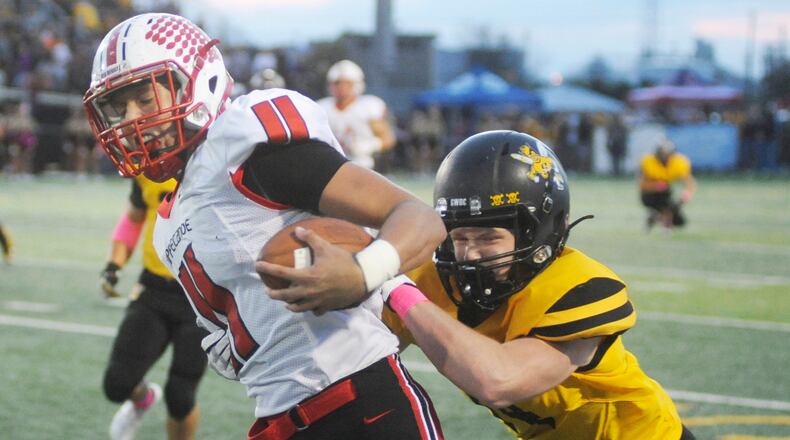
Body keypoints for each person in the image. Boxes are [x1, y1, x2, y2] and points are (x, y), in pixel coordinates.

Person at [84, 13, 445, 440]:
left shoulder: (246, 145)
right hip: (277, 420)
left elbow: (419, 218)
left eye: (145, 99)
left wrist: (365, 272)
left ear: (197, 80)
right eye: (117, 108)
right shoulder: (169, 224)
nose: (130, 120)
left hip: (363, 406)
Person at [275, 131, 694, 439]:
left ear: (538, 233)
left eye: (489, 237)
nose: (470, 254)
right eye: (460, 237)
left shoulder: (580, 286)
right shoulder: (436, 279)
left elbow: (499, 380)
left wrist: (392, 285)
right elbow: (349, 352)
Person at [99, 175, 209, 440]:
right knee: (117, 384)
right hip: (154, 287)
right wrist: (115, 264)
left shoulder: (221, 160)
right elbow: (136, 216)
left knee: (180, 397)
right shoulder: (147, 169)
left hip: (201, 295)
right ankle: (143, 398)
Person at [317, 59, 396, 171]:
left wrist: (370, 146)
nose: (341, 88)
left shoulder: (369, 106)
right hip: (330, 165)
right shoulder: (322, 107)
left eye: (347, 83)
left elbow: (388, 139)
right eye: (337, 83)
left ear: (358, 84)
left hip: (364, 167)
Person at [639, 138, 697, 230]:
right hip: (650, 193)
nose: (664, 156)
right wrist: (655, 186)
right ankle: (661, 217)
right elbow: (642, 185)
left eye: (667, 154)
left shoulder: (679, 162)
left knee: (679, 221)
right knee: (663, 196)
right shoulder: (648, 161)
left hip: (666, 191)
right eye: (662, 154)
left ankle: (656, 217)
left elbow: (689, 181)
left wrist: (687, 192)